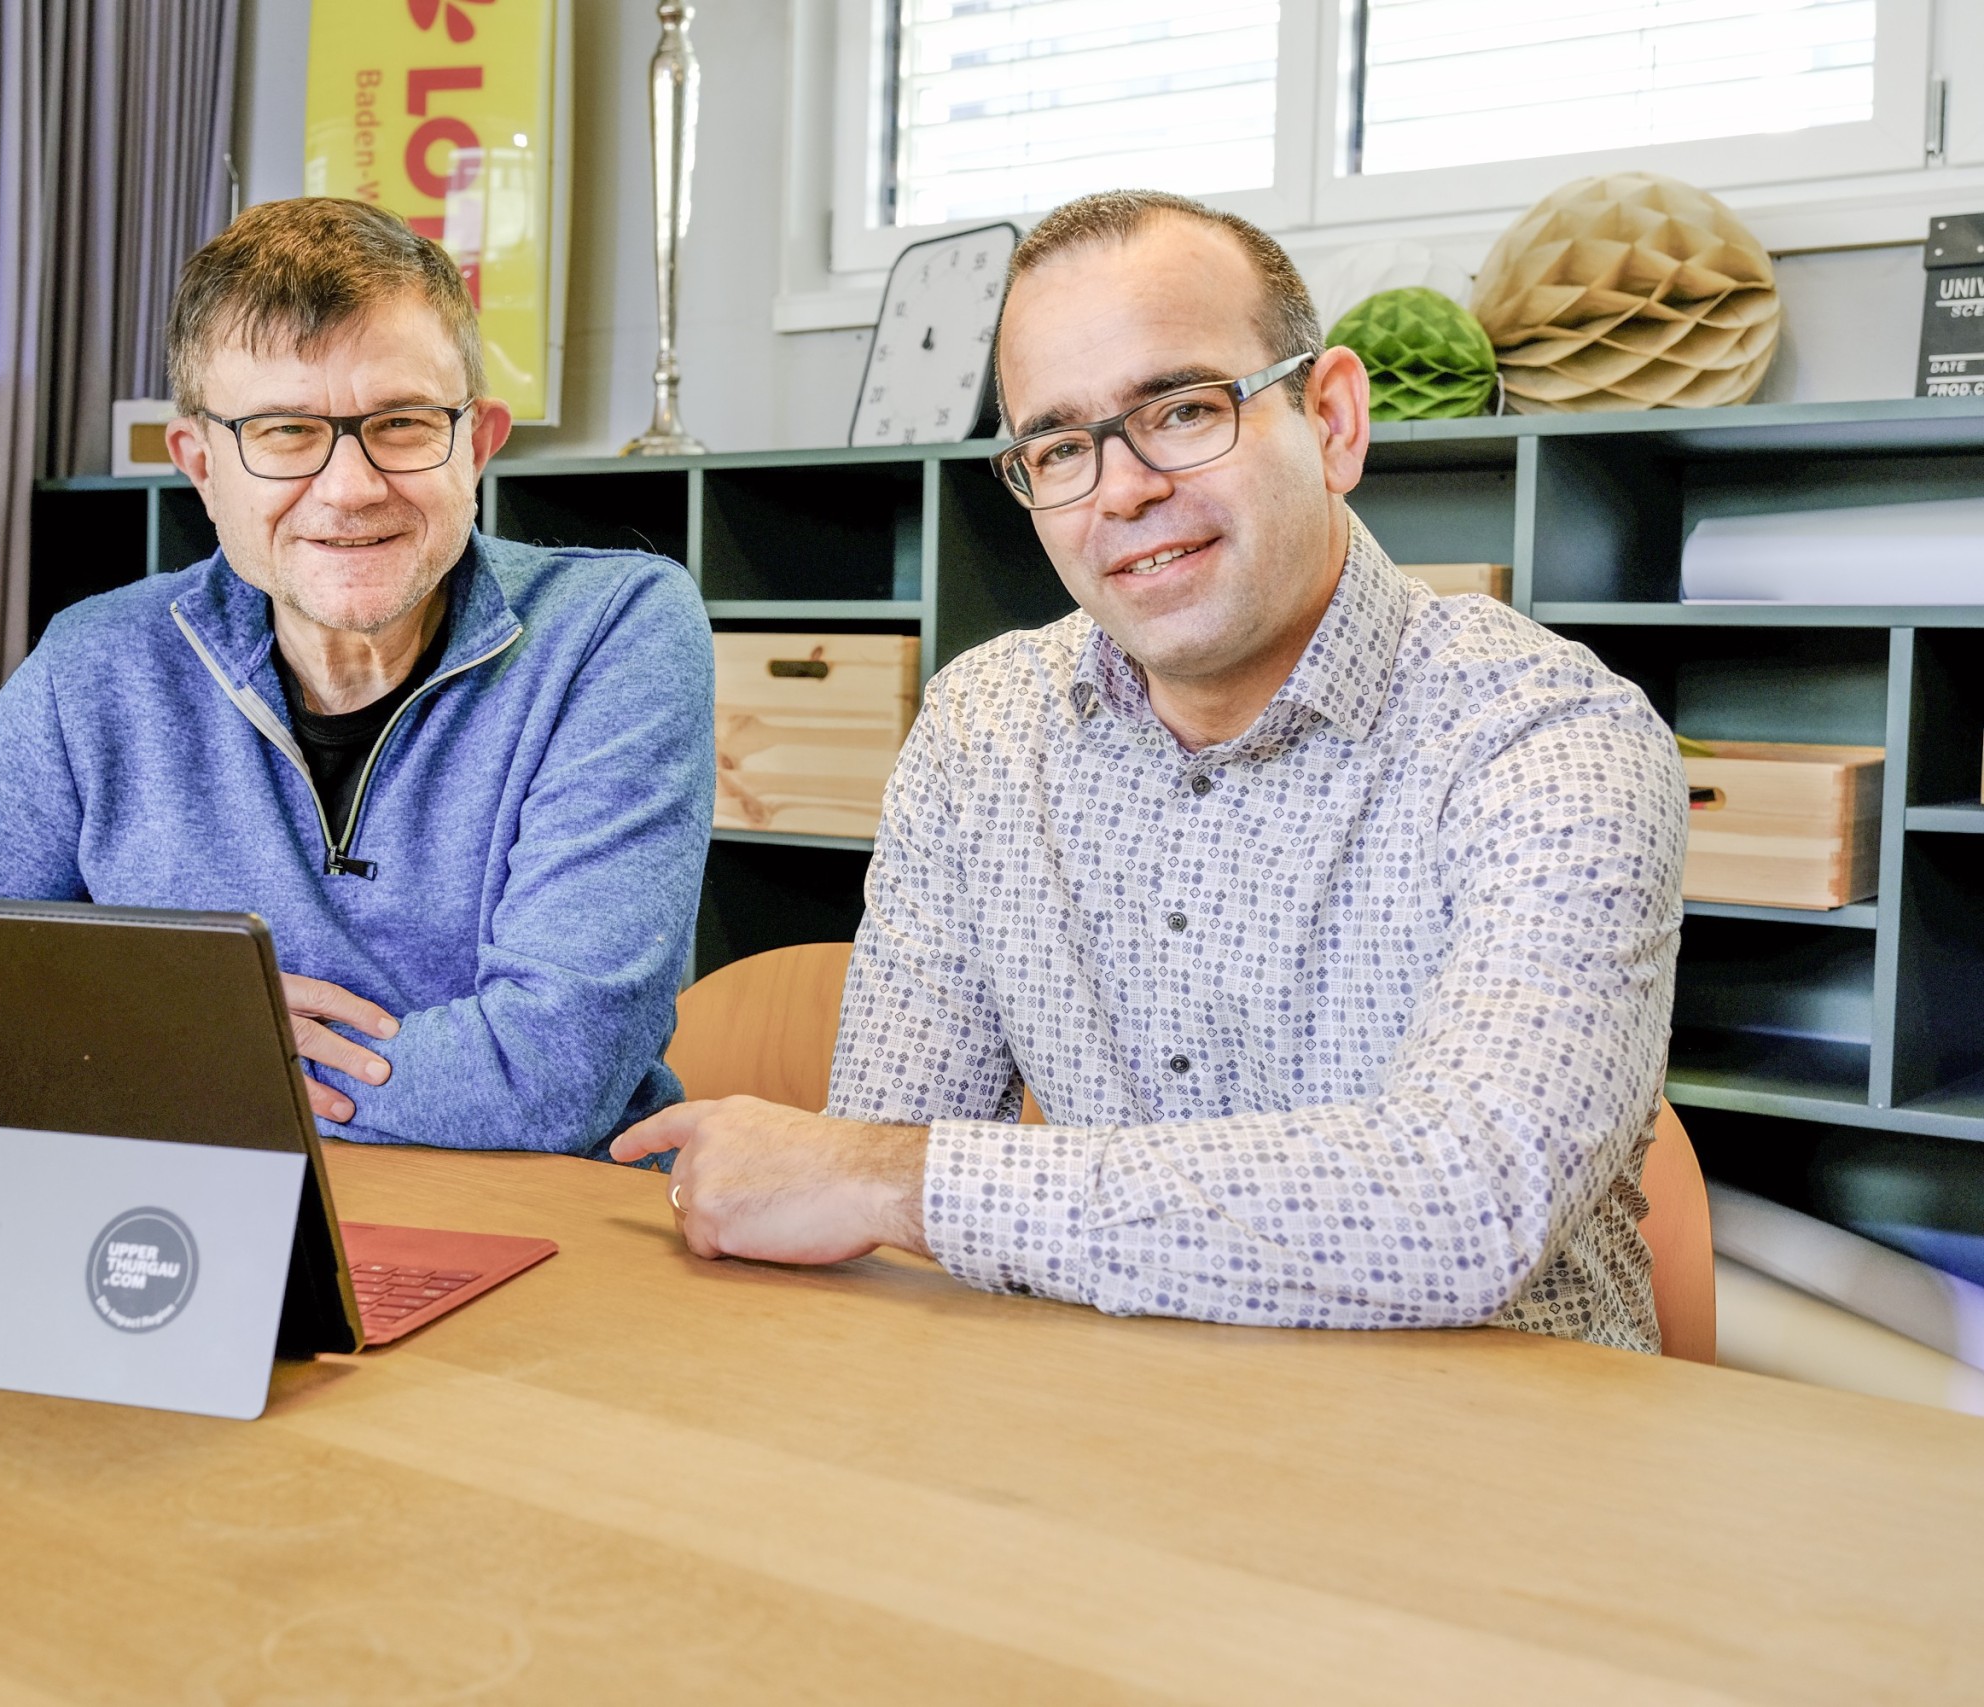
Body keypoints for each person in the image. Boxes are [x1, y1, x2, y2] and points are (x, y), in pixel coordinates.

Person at [615, 189, 1685, 1351]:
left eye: (1180, 410)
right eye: (1060, 446)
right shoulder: (982, 731)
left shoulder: (1552, 738)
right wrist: (869, 1177)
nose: (1120, 490)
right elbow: (869, 1150)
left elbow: (1465, 1205)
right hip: (1100, 1435)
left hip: (1498, 1473)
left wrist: (902, 1183)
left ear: (1330, 421)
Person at [0, 198, 715, 1155]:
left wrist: (187, 1057)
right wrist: (164, 1034)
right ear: (202, 465)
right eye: (282, 432)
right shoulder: (97, 662)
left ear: (476, 443)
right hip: (190, 1225)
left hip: (542, 1234)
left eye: (400, 422)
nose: (350, 488)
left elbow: (553, 1074)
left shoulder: (617, 630)